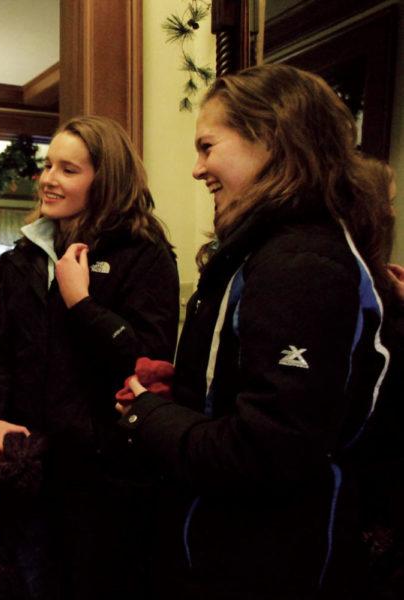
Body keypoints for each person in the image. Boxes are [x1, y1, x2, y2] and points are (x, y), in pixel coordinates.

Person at [117, 64, 393, 599]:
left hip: (264, 560)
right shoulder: (270, 249)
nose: (197, 169)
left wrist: (147, 414)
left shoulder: (300, 264)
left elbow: (268, 451)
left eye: (207, 146)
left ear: (270, 138)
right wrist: (190, 389)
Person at [0, 115, 179, 598]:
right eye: (48, 166)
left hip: (104, 478)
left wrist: (81, 303)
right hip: (27, 465)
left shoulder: (145, 254)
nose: (47, 179)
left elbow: (147, 363)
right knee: (24, 578)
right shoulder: (20, 257)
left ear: (104, 179)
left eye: (68, 169)